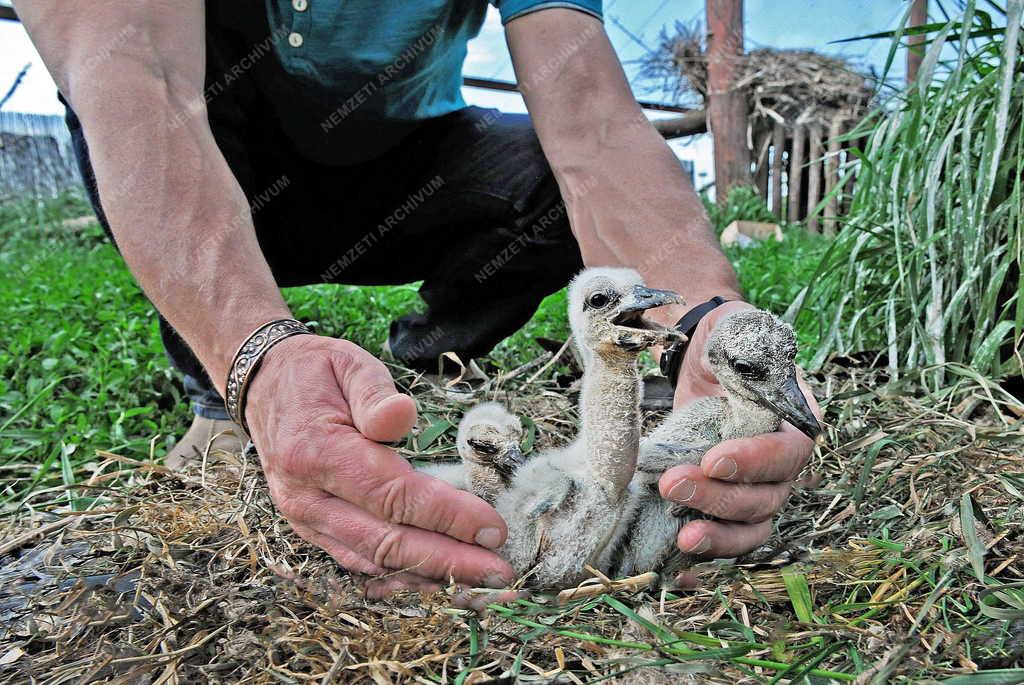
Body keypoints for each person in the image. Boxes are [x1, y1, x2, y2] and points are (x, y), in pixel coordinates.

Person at [16, 0, 818, 598]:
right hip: (225, 164)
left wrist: (708, 320)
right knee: (122, 89)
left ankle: (428, 365)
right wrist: (253, 356)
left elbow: (593, 124)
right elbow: (135, 78)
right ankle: (223, 398)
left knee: (540, 179)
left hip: (404, 168)